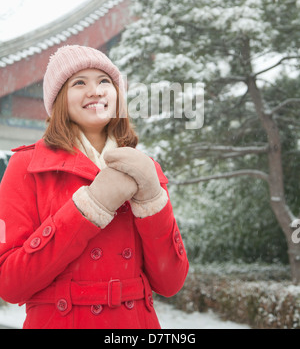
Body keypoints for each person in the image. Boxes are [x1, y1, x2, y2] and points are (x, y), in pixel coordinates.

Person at [0, 45, 189, 329]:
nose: (96, 91)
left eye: (104, 81)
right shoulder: (27, 166)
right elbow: (10, 284)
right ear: (59, 99)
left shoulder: (144, 168)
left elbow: (170, 281)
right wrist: (89, 208)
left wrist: (151, 199)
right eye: (79, 83)